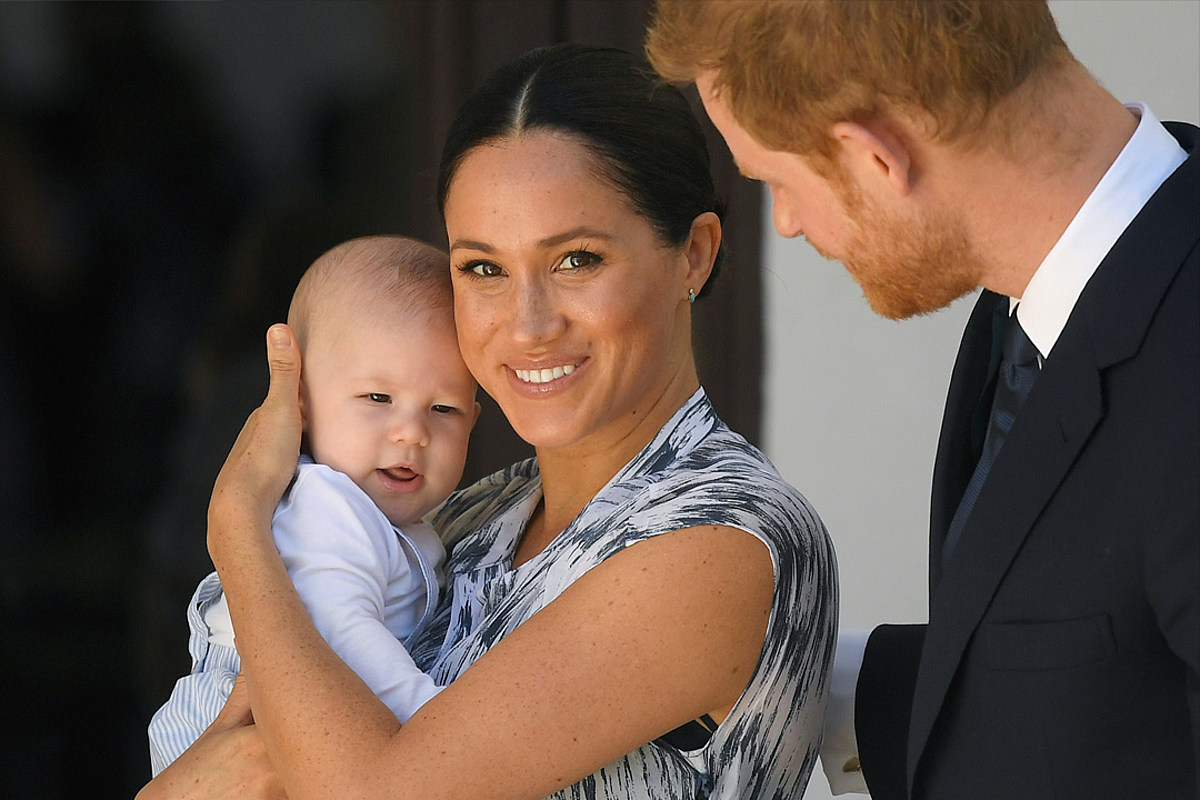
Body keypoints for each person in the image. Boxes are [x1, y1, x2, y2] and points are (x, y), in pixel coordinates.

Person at [137, 44, 837, 800]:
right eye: (483, 269)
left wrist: (238, 523)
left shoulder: (720, 537)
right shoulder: (470, 517)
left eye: (576, 260)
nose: (528, 324)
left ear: (693, 256)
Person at [646, 1, 1199, 799]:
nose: (790, 224)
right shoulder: (1027, 307)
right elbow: (1101, 689)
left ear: (875, 156)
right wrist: (770, 665)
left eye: (775, 181)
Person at [146, 235, 480, 774]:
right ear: (299, 403)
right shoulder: (328, 507)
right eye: (378, 398)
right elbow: (341, 630)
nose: (412, 432)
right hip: (231, 732)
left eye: (444, 409)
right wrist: (431, 720)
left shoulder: (402, 521)